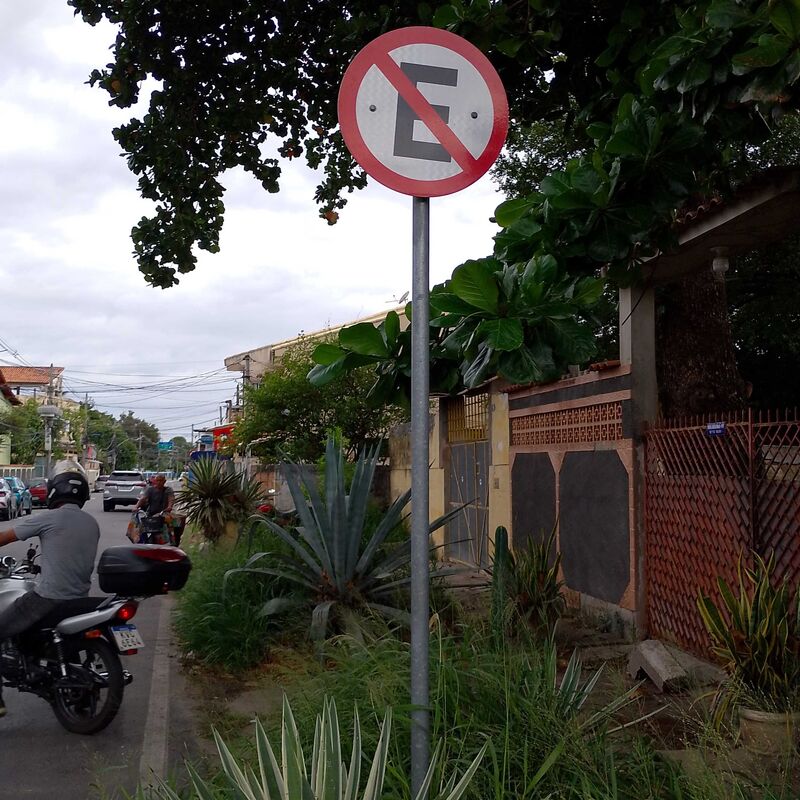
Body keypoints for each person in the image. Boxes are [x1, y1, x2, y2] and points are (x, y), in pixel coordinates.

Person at [0, 460, 99, 718]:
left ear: (54, 488)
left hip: (48, 598)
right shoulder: (91, 523)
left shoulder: (49, 518)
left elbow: (5, 537)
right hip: (80, 600)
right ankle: (79, 700)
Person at [133, 474, 175, 544]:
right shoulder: (150, 489)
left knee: (170, 527)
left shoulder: (168, 490)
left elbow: (171, 499)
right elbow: (143, 499)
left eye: (160, 481)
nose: (159, 482)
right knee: (139, 526)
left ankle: (171, 543)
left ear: (164, 481)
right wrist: (136, 506)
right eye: (157, 480)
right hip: (150, 514)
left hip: (163, 514)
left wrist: (170, 506)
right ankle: (139, 542)